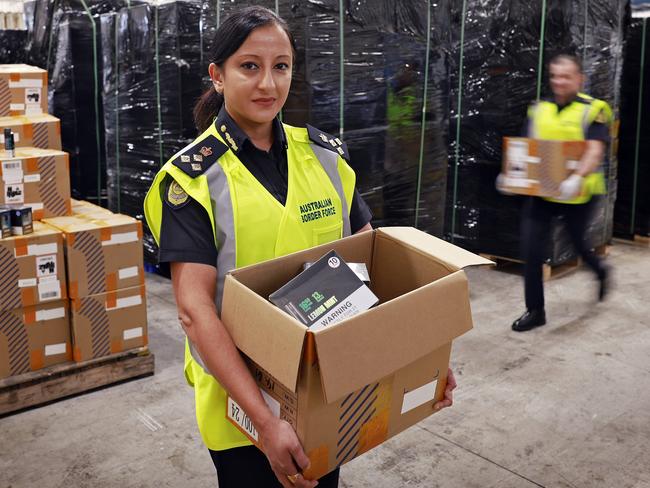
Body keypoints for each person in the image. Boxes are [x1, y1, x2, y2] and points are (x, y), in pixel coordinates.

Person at [143, 7, 457, 487]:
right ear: (218, 75)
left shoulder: (326, 159)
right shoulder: (191, 180)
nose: (268, 83)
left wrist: (420, 356)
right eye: (250, 66)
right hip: (242, 409)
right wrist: (267, 425)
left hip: (325, 390)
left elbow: (372, 267)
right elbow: (194, 311)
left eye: (282, 66)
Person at [503, 54, 611, 332]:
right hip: (543, 191)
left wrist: (576, 178)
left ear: (579, 79)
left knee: (578, 244)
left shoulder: (593, 109)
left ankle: (600, 271)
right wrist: (510, 174)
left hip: (579, 193)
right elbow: (525, 147)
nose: (559, 82)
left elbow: (594, 151)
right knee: (531, 248)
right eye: (554, 76)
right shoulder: (539, 109)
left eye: (566, 76)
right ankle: (535, 310)